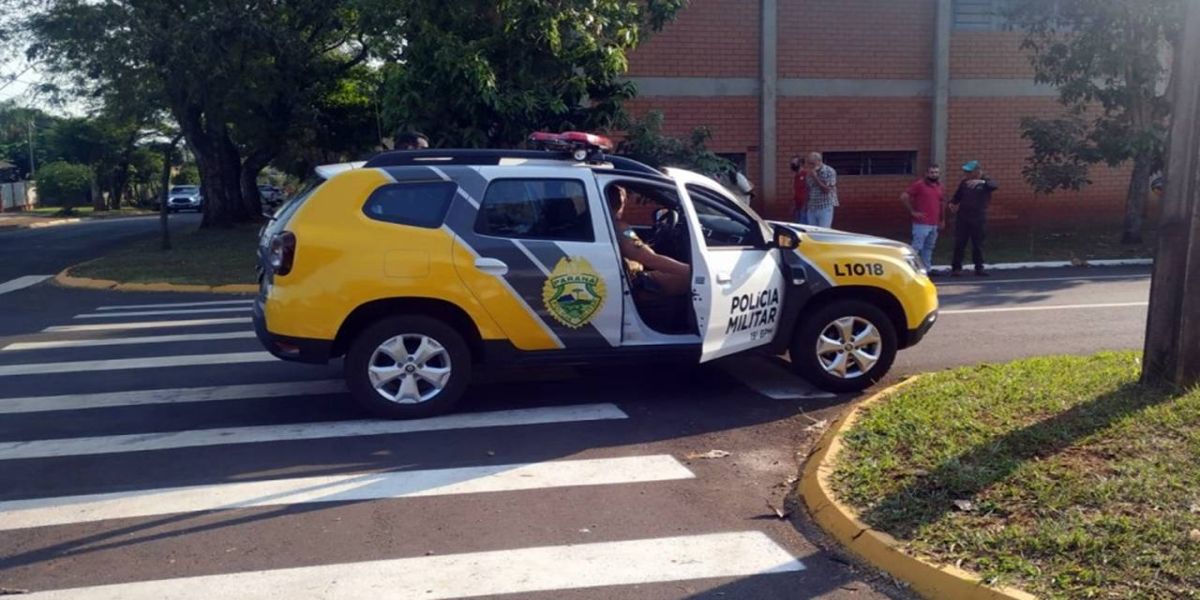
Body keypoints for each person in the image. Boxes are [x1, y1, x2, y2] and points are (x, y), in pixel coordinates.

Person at [607, 185, 690, 296]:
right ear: (619, 203)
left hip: (627, 277)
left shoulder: (603, 225)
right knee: (686, 279)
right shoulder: (620, 228)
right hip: (633, 282)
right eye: (623, 199)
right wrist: (692, 270)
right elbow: (649, 259)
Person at [949, 160, 999, 276]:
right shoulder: (964, 183)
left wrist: (981, 181)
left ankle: (979, 267)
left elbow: (994, 185)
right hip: (963, 217)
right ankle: (956, 268)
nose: (966, 173)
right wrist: (952, 203)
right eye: (965, 171)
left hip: (978, 218)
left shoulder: (986, 182)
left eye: (969, 171)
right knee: (960, 242)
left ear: (977, 171)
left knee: (978, 244)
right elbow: (957, 196)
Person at [899, 164, 946, 270]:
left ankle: (926, 268)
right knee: (917, 247)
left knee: (929, 247)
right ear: (926, 173)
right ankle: (910, 268)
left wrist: (942, 220)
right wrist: (913, 211)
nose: (934, 174)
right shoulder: (919, 185)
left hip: (934, 223)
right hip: (921, 223)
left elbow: (941, 204)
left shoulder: (940, 186)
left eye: (936, 172)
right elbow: (904, 197)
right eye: (932, 172)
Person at [804, 152, 838, 228]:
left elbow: (827, 190)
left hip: (824, 206)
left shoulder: (829, 171)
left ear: (819, 161)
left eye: (812, 163)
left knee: (823, 230)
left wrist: (815, 177)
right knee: (812, 231)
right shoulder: (809, 173)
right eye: (809, 163)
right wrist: (805, 205)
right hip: (812, 206)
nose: (810, 166)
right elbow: (808, 189)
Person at [790, 155, 808, 224]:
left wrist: (805, 205)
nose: (792, 165)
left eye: (794, 163)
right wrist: (794, 205)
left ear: (800, 163)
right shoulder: (796, 176)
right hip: (797, 206)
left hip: (804, 206)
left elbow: (808, 190)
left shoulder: (805, 175)